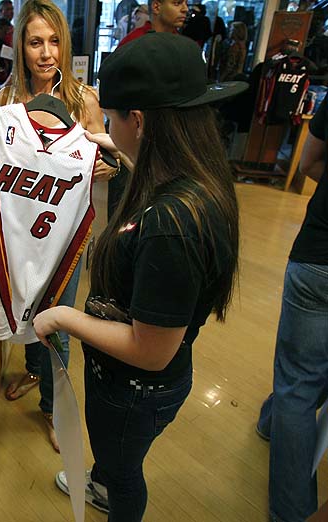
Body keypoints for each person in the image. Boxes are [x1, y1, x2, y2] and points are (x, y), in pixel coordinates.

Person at [33, 32, 244, 518]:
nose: (106, 125)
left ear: (141, 121)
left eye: (112, 118)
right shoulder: (198, 175)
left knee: (123, 473)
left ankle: (111, 490)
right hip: (143, 387)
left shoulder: (170, 226)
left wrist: (64, 317)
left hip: (135, 389)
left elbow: (151, 351)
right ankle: (104, 478)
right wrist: (103, 141)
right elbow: (138, 154)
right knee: (116, 460)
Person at [0, 0, 118, 452]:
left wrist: (107, 168)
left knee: (58, 323)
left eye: (53, 42)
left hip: (67, 234)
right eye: (34, 43)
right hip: (20, 229)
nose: (46, 53)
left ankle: (53, 406)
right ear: (20, 48)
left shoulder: (83, 100)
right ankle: (32, 370)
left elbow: (111, 155)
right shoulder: (6, 101)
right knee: (25, 304)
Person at [256, 95, 328, 522]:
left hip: (320, 255)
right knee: (302, 377)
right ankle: (272, 420)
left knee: (298, 383)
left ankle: (290, 513)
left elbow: (309, 163)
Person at [118, 0, 189, 46]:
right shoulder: (133, 42)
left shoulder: (182, 43)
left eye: (186, 3)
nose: (185, 9)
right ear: (156, 7)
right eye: (177, 3)